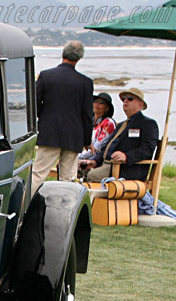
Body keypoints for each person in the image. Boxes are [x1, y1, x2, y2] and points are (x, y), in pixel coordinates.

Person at [30, 40, 93, 192]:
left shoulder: (46, 76)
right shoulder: (85, 82)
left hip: (49, 132)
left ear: (63, 53)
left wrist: (41, 122)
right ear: (79, 58)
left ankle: (25, 209)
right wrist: (87, 139)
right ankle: (65, 212)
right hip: (74, 135)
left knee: (38, 174)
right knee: (67, 179)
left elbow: (35, 105)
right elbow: (87, 114)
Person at [82, 88, 159, 183]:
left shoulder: (148, 124)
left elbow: (148, 149)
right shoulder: (122, 125)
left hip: (126, 169)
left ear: (140, 104)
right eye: (123, 99)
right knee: (79, 169)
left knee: (91, 175)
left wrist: (126, 156)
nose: (125, 101)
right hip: (108, 165)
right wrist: (95, 161)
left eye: (130, 98)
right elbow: (107, 148)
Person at [77, 92, 116, 178]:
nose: (97, 104)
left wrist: (77, 157)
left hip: (99, 159)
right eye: (95, 101)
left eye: (101, 103)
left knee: (70, 165)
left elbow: (96, 148)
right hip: (85, 156)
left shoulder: (108, 123)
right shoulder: (90, 121)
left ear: (107, 108)